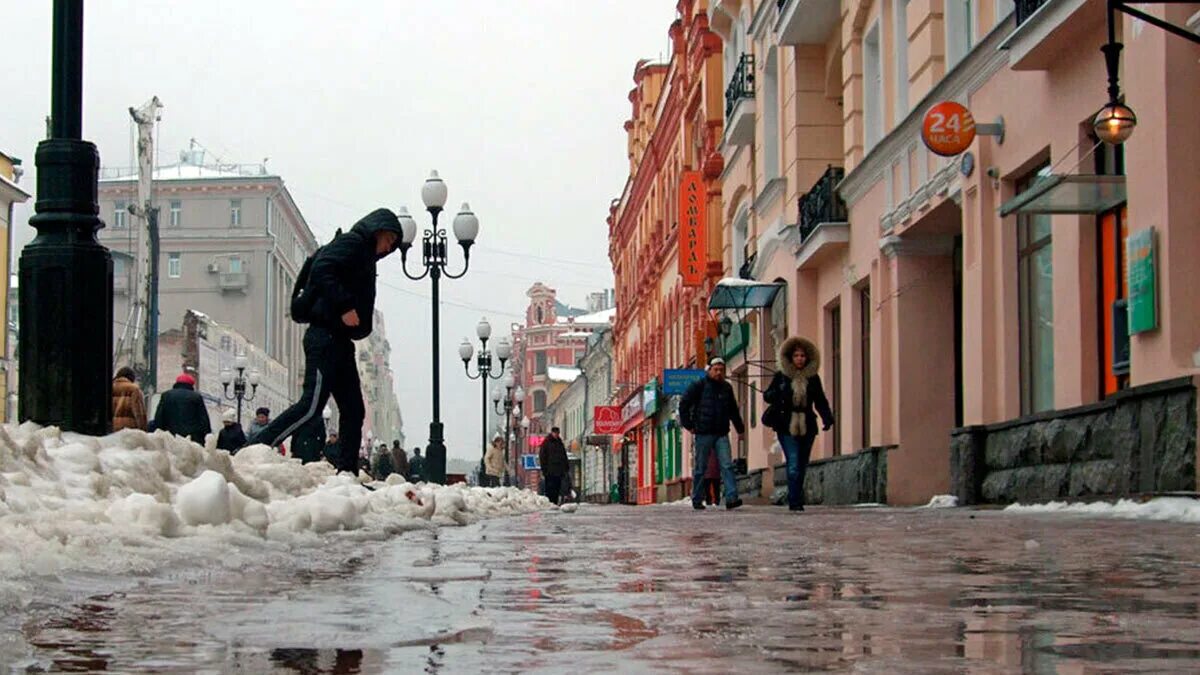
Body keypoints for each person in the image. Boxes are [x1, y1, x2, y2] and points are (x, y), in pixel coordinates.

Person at [248, 208, 404, 474]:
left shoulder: (365, 257)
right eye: (390, 239)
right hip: (324, 337)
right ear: (378, 229)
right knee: (311, 406)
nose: (389, 248)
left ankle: (346, 472)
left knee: (354, 409)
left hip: (341, 342)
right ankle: (255, 449)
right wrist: (344, 306)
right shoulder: (353, 243)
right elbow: (323, 269)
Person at [763, 336, 834, 512]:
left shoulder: (813, 378)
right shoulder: (781, 376)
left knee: (802, 464)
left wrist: (827, 418)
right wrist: (778, 392)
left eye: (802, 355)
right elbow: (767, 395)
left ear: (808, 357)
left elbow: (820, 400)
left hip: (807, 424)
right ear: (790, 357)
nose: (800, 359)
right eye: (796, 355)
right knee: (793, 463)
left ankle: (796, 496)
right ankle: (794, 502)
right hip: (786, 424)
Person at [680, 357, 745, 510]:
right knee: (701, 467)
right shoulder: (699, 386)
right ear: (708, 370)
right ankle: (697, 498)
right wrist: (688, 425)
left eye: (721, 370)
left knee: (727, 465)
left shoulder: (726, 388)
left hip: (721, 432)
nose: (718, 372)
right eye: (715, 369)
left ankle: (731, 498)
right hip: (703, 433)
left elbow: (733, 410)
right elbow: (684, 403)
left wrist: (740, 429)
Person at [153, 373, 212, 445]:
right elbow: (203, 420)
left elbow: (159, 417)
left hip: (170, 437)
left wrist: (158, 432)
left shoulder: (166, 395)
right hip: (192, 439)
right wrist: (206, 436)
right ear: (191, 385)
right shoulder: (196, 397)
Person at [539, 427, 569, 504]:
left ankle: (555, 502)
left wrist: (566, 467)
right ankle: (550, 502)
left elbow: (563, 456)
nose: (556, 434)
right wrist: (544, 470)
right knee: (550, 488)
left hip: (559, 471)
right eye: (555, 433)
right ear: (552, 433)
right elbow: (542, 456)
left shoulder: (560, 443)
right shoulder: (546, 443)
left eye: (557, 433)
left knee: (557, 487)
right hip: (550, 471)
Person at [111, 366, 147, 432]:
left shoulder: (109, 388)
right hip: (129, 432)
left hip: (112, 430)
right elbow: (139, 413)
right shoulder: (134, 389)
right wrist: (143, 430)